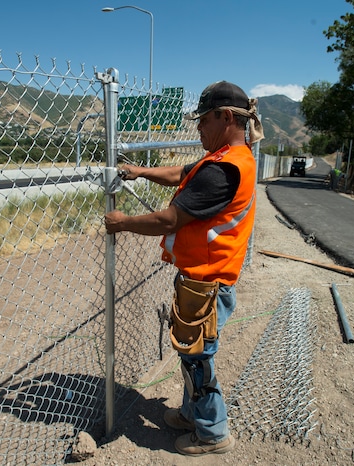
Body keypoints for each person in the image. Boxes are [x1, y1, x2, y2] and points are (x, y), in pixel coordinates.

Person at [104, 81, 262, 456]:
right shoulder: (230, 158)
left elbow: (169, 220)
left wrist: (122, 222)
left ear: (226, 117)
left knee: (198, 357)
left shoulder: (223, 170)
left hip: (207, 283)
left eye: (203, 119)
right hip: (205, 279)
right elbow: (182, 173)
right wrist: (141, 171)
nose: (198, 127)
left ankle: (212, 432)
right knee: (192, 352)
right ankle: (193, 413)